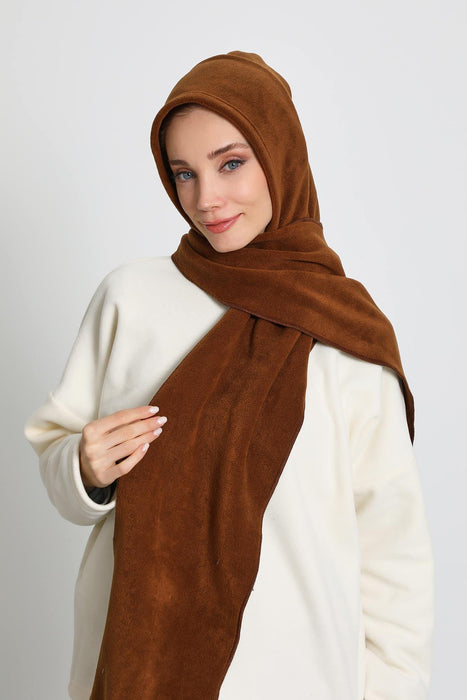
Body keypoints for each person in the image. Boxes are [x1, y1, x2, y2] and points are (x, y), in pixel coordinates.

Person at [24, 51, 434, 700]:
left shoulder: (347, 332)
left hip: (300, 680)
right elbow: (60, 459)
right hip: (137, 667)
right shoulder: (131, 299)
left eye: (231, 163)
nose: (205, 198)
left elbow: (393, 567)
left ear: (280, 156)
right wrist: (84, 469)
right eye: (183, 174)